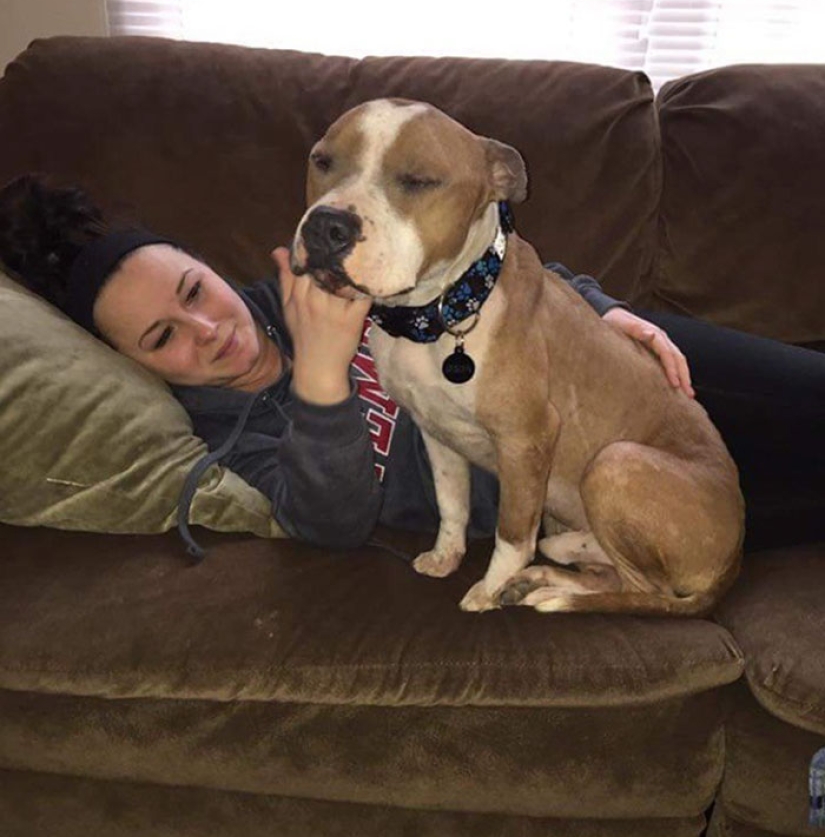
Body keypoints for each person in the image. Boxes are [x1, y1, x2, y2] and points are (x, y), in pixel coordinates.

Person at [0, 174, 822, 557]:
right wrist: (322, 380)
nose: (207, 329)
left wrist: (607, 311)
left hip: (612, 377)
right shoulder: (228, 441)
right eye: (162, 339)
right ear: (135, 367)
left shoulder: (322, 268)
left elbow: (488, 269)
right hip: (588, 496)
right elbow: (332, 523)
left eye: (193, 290)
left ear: (205, 263)